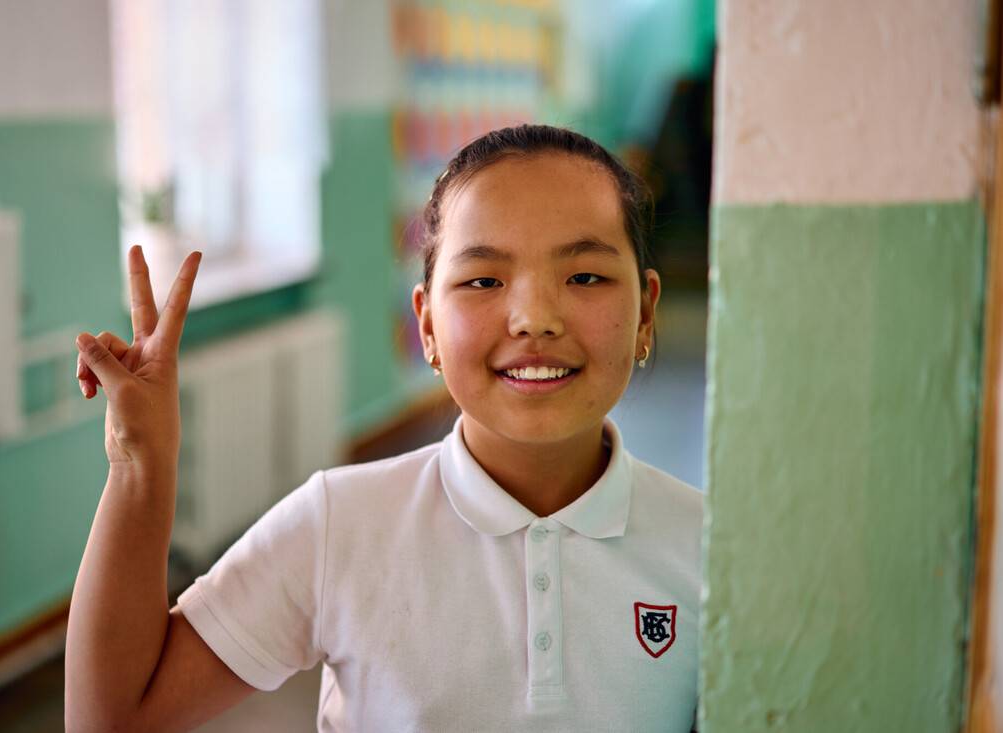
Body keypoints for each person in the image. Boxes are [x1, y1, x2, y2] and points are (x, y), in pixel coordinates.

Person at [66, 124, 702, 732]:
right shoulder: (338, 524)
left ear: (645, 312)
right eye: (483, 279)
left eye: (584, 276)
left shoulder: (713, 550)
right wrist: (139, 465)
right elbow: (115, 718)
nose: (534, 319)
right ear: (426, 326)